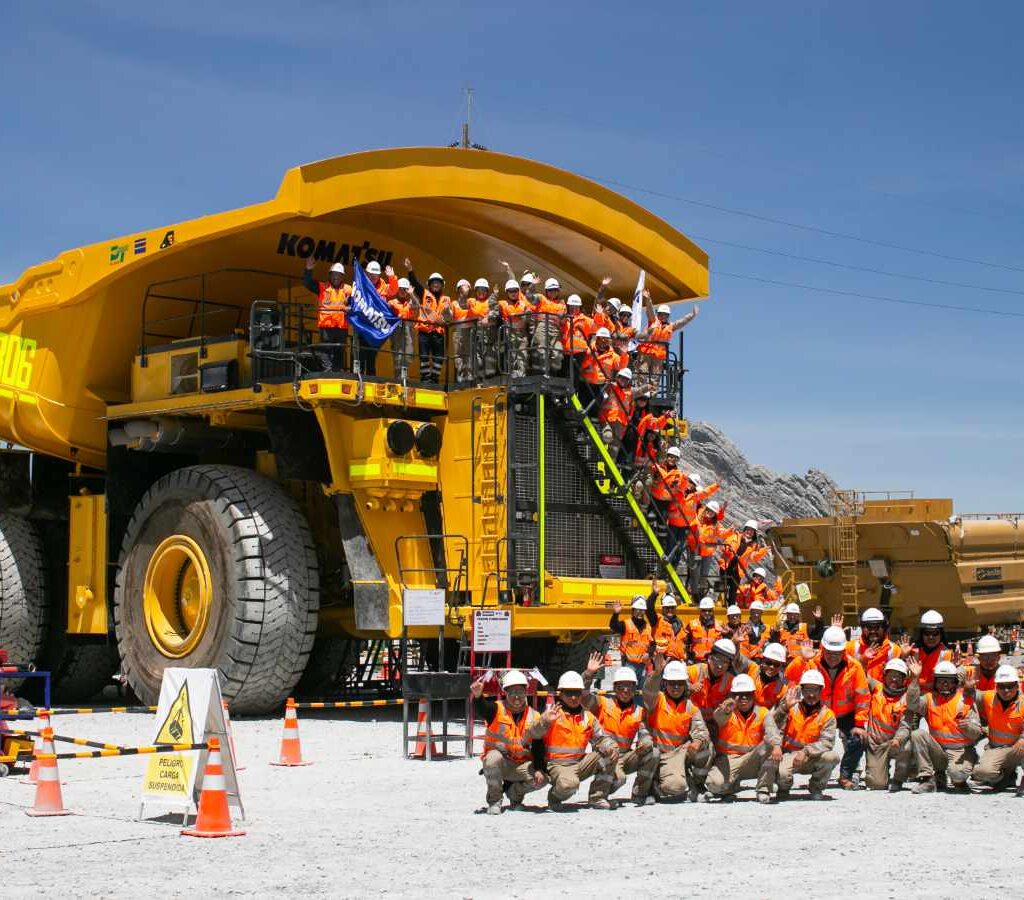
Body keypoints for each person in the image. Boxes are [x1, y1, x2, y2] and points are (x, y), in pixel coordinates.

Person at [786, 625, 870, 790]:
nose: (833, 657)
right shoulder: (812, 662)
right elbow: (790, 675)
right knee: (811, 742)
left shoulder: (854, 667)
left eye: (837, 653)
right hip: (819, 713)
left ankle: (846, 775)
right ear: (823, 648)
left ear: (844, 651)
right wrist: (802, 659)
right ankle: (794, 771)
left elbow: (862, 696)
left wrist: (859, 724)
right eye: (829, 652)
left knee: (857, 739)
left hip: (845, 713)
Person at [528, 671, 618, 811]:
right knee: (569, 784)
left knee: (610, 753)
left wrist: (611, 747)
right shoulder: (551, 715)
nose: (574, 697)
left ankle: (597, 797)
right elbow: (533, 734)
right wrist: (544, 723)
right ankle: (554, 797)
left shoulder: (587, 717)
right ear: (561, 694)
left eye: (577, 693)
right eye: (569, 693)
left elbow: (602, 738)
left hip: (580, 763)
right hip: (557, 766)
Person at [582, 655, 659, 806]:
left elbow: (644, 733)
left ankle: (639, 794)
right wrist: (588, 674)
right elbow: (583, 697)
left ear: (634, 689)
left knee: (653, 752)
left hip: (625, 757)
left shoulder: (639, 711)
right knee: (620, 778)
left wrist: (645, 743)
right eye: (621, 687)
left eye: (629, 687)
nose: (625, 691)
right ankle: (597, 796)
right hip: (606, 755)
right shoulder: (602, 704)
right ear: (615, 688)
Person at [471, 670, 547, 814]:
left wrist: (539, 769)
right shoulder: (496, 709)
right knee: (492, 758)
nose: (516, 696)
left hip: (521, 765)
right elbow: (483, 709)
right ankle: (495, 801)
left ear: (526, 692)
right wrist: (478, 697)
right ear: (505, 693)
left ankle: (514, 795)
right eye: (512, 692)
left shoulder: (534, 716)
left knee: (543, 779)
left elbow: (538, 746)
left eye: (520, 691)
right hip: (501, 764)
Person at [643, 657, 711, 802]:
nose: (676, 687)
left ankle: (697, 784)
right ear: (665, 683)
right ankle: (656, 784)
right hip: (661, 756)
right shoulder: (657, 700)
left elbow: (702, 731)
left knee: (706, 748)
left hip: (680, 753)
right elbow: (648, 691)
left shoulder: (690, 706)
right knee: (675, 787)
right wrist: (657, 673)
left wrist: (698, 742)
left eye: (680, 683)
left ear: (685, 684)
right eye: (672, 683)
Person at [908, 660, 982, 793]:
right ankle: (928, 779)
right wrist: (915, 679)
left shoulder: (964, 700)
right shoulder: (929, 699)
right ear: (935, 683)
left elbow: (977, 733)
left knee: (957, 774)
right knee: (917, 734)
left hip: (961, 751)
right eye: (941, 681)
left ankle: (959, 780)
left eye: (949, 681)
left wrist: (968, 727)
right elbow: (912, 704)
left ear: (955, 683)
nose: (945, 684)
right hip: (939, 751)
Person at [706, 673, 780, 803]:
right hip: (729, 760)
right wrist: (725, 711)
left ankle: (763, 789)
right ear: (732, 696)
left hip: (752, 760)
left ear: (754, 695)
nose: (744, 698)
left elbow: (771, 730)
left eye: (748, 694)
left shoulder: (763, 712)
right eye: (739, 695)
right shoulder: (727, 712)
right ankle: (731, 787)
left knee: (769, 744)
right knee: (714, 784)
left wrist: (777, 745)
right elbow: (718, 717)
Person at [773, 670, 839, 801]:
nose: (811, 694)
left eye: (815, 690)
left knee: (831, 757)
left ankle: (816, 788)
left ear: (821, 691)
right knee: (782, 773)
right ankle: (783, 789)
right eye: (808, 689)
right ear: (801, 690)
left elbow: (827, 742)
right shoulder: (791, 707)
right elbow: (774, 726)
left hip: (811, 756)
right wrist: (784, 708)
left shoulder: (828, 715)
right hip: (789, 755)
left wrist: (805, 751)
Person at [970, 664, 1024, 795]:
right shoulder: (988, 697)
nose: (1006, 690)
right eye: (1002, 686)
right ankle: (1005, 778)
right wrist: (967, 686)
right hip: (997, 749)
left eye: (1010, 686)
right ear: (996, 687)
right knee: (981, 772)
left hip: (1019, 749)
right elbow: (967, 695)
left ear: (1017, 686)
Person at [863, 657, 915, 792]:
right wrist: (863, 661)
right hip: (876, 745)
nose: (894, 679)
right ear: (884, 676)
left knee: (907, 746)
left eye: (898, 677)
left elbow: (905, 726)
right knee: (876, 785)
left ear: (904, 679)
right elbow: (861, 675)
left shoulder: (907, 698)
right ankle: (881, 769)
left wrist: (898, 739)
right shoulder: (876, 688)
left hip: (895, 743)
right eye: (891, 675)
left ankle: (899, 778)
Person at [634, 291, 698, 394]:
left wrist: (692, 315)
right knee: (643, 372)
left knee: (655, 376)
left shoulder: (671, 326)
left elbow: (682, 322)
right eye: (661, 314)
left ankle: (652, 395)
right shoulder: (653, 321)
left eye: (665, 315)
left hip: (659, 355)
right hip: (646, 351)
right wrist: (648, 300)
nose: (663, 316)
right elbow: (649, 311)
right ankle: (641, 393)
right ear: (658, 314)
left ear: (668, 316)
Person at [304, 257, 351, 372]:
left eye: (338, 275)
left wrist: (350, 308)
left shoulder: (348, 289)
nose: (336, 277)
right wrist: (308, 269)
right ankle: (328, 370)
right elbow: (308, 283)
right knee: (326, 349)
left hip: (341, 326)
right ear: (330, 276)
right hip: (326, 326)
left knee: (339, 350)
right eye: (334, 274)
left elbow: (355, 304)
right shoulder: (322, 287)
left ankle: (337, 370)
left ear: (342, 277)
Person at [355, 261, 399, 375]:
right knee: (360, 353)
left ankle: (370, 376)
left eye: (376, 275)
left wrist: (392, 277)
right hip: (363, 325)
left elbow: (394, 290)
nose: (373, 277)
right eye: (371, 274)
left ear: (379, 275)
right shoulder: (362, 284)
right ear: (367, 273)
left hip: (376, 327)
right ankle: (359, 375)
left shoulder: (384, 286)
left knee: (372, 356)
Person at [720, 520, 771, 608]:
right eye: (748, 530)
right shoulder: (735, 537)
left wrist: (763, 551)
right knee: (721, 588)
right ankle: (720, 605)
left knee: (733, 591)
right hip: (726, 566)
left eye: (752, 531)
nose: (749, 532)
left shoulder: (753, 546)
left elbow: (753, 558)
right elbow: (724, 546)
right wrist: (727, 550)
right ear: (744, 530)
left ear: (754, 533)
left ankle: (731, 608)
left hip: (738, 570)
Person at [688, 501, 731, 598]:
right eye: (709, 510)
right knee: (695, 574)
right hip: (696, 551)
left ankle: (701, 596)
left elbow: (722, 533)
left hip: (708, 554)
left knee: (704, 575)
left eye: (712, 512)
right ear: (705, 509)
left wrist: (729, 531)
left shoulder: (716, 524)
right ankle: (693, 596)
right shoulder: (698, 518)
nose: (710, 513)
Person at [848, 607, 902, 683]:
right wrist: (862, 660)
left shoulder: (894, 650)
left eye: (877, 627)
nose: (873, 631)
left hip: (881, 694)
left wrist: (904, 656)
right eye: (869, 627)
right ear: (862, 628)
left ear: (884, 627)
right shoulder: (851, 647)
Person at [609, 596, 652, 686]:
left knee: (641, 691)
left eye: (642, 610)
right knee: (629, 688)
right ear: (633, 610)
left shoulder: (648, 627)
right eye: (638, 609)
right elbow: (613, 626)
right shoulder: (625, 624)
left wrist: (649, 653)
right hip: (629, 664)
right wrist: (616, 613)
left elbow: (652, 644)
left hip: (643, 665)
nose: (640, 612)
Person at [416, 272, 448, 384]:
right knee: (424, 357)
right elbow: (415, 283)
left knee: (438, 358)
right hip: (424, 332)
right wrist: (410, 270)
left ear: (442, 285)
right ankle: (425, 378)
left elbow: (450, 317)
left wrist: (447, 313)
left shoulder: (447, 299)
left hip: (438, 333)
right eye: (433, 282)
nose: (435, 285)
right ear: (429, 284)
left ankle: (434, 379)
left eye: (438, 283)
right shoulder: (423, 294)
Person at [528, 277, 565, 376]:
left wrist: (562, 318)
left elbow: (563, 321)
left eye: (555, 290)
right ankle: (544, 374)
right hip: (543, 327)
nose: (553, 292)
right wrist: (533, 285)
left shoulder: (562, 304)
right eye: (550, 290)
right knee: (543, 352)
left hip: (556, 330)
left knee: (558, 353)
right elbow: (529, 297)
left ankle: (552, 373)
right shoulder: (541, 298)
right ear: (546, 291)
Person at [578, 327, 619, 410]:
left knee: (595, 410)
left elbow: (620, 367)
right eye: (601, 338)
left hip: (600, 387)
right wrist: (590, 358)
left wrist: (625, 354)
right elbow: (581, 366)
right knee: (581, 408)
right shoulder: (588, 350)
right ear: (597, 339)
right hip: (584, 384)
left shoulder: (613, 356)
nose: (603, 341)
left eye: (606, 339)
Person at [914, 609, 955, 691]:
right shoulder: (913, 652)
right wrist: (904, 656)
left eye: (935, 633)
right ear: (921, 634)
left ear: (941, 634)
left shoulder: (947, 654)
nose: (931, 637)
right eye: (927, 633)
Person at [387, 277, 419, 378]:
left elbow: (417, 306)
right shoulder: (391, 302)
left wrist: (411, 294)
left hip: (408, 329)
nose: (402, 291)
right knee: (398, 354)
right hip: (396, 329)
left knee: (409, 353)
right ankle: (398, 376)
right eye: (401, 289)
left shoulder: (410, 303)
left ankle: (403, 374)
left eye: (405, 289)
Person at [647, 589, 685, 661]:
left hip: (677, 660)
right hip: (661, 660)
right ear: (663, 608)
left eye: (672, 607)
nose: (670, 610)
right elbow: (649, 608)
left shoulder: (680, 623)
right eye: (667, 608)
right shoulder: (656, 620)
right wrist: (654, 594)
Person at [686, 596, 723, 663]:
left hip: (714, 662)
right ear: (700, 611)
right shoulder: (691, 625)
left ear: (713, 610)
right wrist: (689, 657)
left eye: (709, 610)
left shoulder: (720, 625)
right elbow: (685, 643)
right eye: (704, 610)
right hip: (696, 661)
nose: (707, 613)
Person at [754, 643, 789, 709]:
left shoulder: (781, 687)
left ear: (781, 666)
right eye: (768, 662)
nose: (772, 667)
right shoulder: (753, 671)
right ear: (762, 660)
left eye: (776, 664)